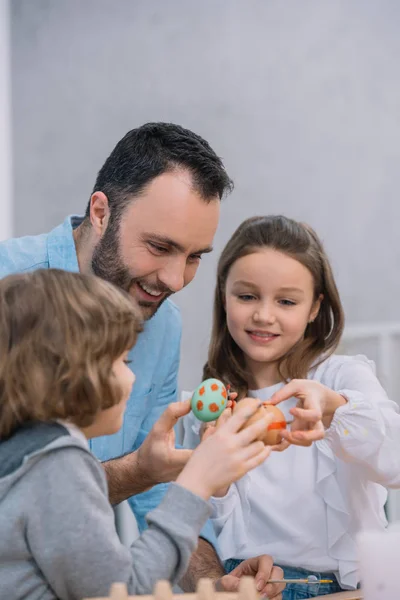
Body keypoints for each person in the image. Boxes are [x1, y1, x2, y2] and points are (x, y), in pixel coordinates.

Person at [0, 122, 283, 593]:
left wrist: (210, 584)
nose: (174, 279)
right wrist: (160, 475)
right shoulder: (7, 293)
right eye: (159, 247)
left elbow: (152, 492)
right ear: (100, 212)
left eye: (194, 257)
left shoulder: (162, 321)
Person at [0, 268, 278, 600]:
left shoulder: (23, 456)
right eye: (123, 361)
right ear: (74, 373)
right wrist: (195, 485)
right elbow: (122, 590)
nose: (132, 379)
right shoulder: (57, 464)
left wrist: (148, 470)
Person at [184, 215, 400, 599]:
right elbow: (200, 529)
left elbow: (394, 459)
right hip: (249, 586)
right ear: (223, 294)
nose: (264, 315)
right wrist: (214, 472)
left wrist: (334, 409)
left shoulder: (342, 378)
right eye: (247, 296)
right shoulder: (209, 405)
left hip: (344, 588)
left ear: (315, 307)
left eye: (286, 301)